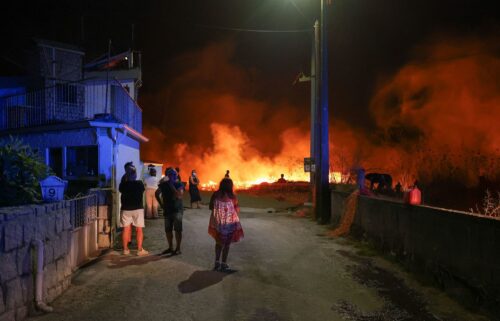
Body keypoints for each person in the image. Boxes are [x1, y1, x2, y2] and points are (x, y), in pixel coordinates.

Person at [208, 178, 244, 272]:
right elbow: (237, 209)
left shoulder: (215, 194)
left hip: (218, 223)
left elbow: (210, 207)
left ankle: (217, 262)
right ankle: (224, 263)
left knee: (218, 242)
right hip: (229, 224)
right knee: (227, 245)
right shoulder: (233, 196)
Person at [119, 162, 148, 256]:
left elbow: (121, 186)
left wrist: (126, 173)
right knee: (139, 229)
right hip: (138, 209)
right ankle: (139, 250)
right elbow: (144, 188)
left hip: (126, 209)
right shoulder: (139, 184)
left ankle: (125, 250)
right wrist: (131, 172)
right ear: (135, 175)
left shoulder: (123, 185)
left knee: (126, 229)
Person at [157, 167, 184, 255]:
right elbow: (157, 193)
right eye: (169, 174)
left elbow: (179, 196)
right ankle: (170, 248)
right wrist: (161, 204)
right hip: (168, 210)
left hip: (177, 210)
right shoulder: (163, 184)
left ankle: (178, 248)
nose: (171, 176)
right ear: (167, 175)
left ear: (175, 175)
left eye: (173, 174)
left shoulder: (179, 184)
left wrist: (171, 184)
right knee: (168, 230)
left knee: (177, 230)